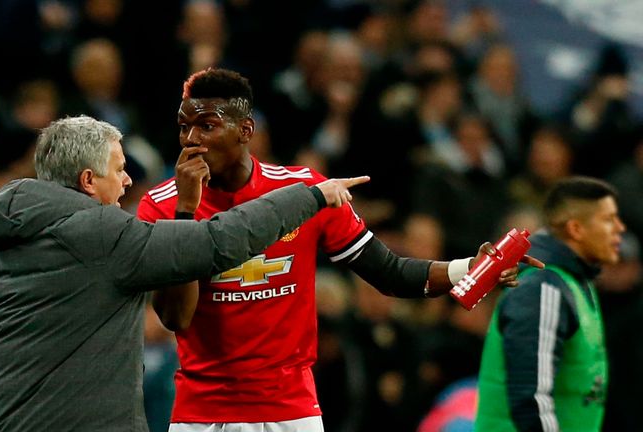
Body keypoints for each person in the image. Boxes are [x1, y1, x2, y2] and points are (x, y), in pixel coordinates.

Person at [135, 68, 542, 432]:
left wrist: (469, 267)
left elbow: (390, 273)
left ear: (245, 130)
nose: (192, 140)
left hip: (291, 413)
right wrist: (186, 213)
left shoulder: (305, 192)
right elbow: (177, 318)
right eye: (184, 126)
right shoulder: (162, 205)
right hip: (201, 414)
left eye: (207, 126)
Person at [0, 114, 369, 432]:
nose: (125, 183)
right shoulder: (105, 234)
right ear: (87, 180)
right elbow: (215, 243)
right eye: (119, 170)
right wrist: (308, 197)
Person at [475, 176, 625, 431]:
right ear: (576, 229)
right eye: (608, 219)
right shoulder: (542, 288)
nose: (620, 228)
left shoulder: (577, 282)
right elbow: (532, 399)